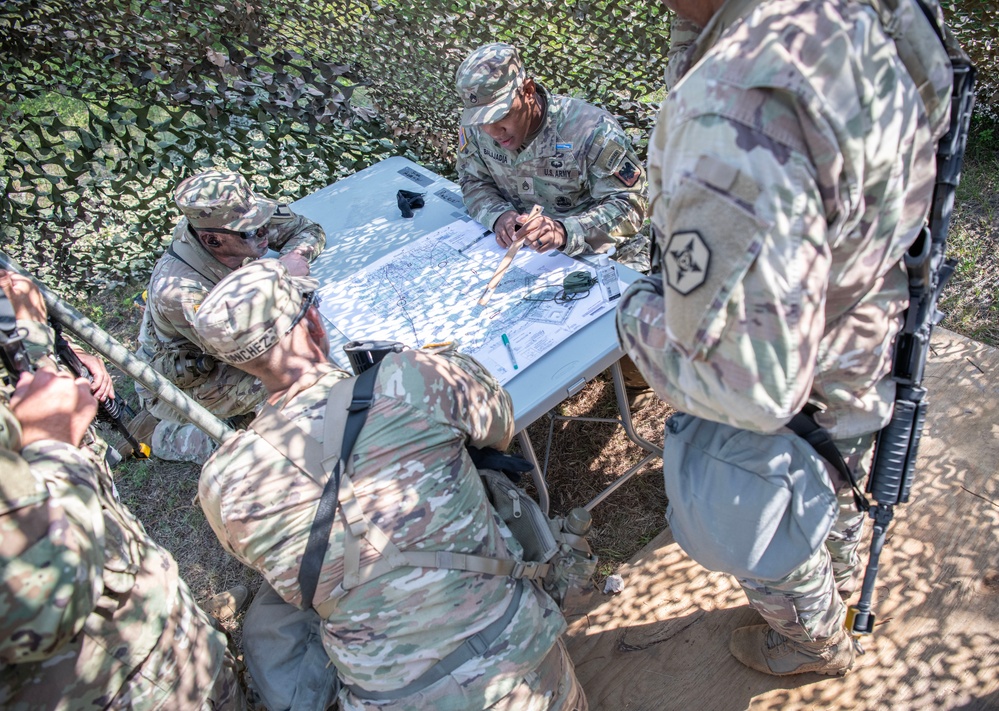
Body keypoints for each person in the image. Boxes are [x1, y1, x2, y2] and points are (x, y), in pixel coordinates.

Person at [617, 0, 954, 677]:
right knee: (845, 485)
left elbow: (748, 391)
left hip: (800, 393)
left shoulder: (731, 110)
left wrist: (633, 315)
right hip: (867, 318)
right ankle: (844, 575)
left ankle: (812, 642)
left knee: (773, 522)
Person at [194, 259, 585, 710]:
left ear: (238, 363)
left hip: (391, 698)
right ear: (315, 321)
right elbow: (499, 428)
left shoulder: (222, 483)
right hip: (515, 660)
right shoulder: (410, 380)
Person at [0, 270, 244, 709]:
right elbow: (36, 602)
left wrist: (54, 354)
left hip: (153, 626)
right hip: (109, 686)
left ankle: (189, 631)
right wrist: (50, 443)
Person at [137, 169, 326, 463]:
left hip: (226, 343)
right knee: (290, 383)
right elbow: (247, 351)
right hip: (189, 379)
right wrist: (280, 276)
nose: (264, 233)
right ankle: (167, 434)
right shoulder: (182, 293)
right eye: (253, 231)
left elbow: (308, 229)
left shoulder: (237, 218)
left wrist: (296, 255)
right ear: (212, 241)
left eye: (263, 224)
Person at [455, 42, 650, 274]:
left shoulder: (591, 131)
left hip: (601, 254)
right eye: (480, 120)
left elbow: (631, 205)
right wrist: (499, 215)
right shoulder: (477, 130)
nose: (493, 131)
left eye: (501, 115)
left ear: (528, 91)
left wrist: (565, 231)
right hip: (524, 259)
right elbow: (474, 181)